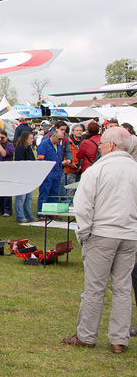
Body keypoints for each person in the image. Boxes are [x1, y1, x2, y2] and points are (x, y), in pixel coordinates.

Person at [62, 128, 137, 354]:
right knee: (123, 288)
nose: (100, 147)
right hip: (129, 234)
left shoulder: (97, 170)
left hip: (103, 233)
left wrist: (83, 234)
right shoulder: (134, 169)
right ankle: (119, 340)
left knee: (95, 288)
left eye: (102, 144)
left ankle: (86, 336)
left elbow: (83, 207)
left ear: (111, 145)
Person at [36, 120, 68, 211]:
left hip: (56, 173)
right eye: (59, 139)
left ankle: (52, 212)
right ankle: (41, 212)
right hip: (47, 174)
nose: (60, 141)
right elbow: (40, 160)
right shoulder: (44, 145)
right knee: (44, 194)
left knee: (54, 195)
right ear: (53, 136)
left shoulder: (58, 146)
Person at [13, 131, 37, 223]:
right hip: (22, 176)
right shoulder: (20, 149)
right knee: (21, 197)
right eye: (30, 138)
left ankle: (28, 214)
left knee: (29, 197)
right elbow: (20, 163)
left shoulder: (29, 149)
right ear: (25, 139)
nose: (32, 140)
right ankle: (20, 216)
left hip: (29, 176)